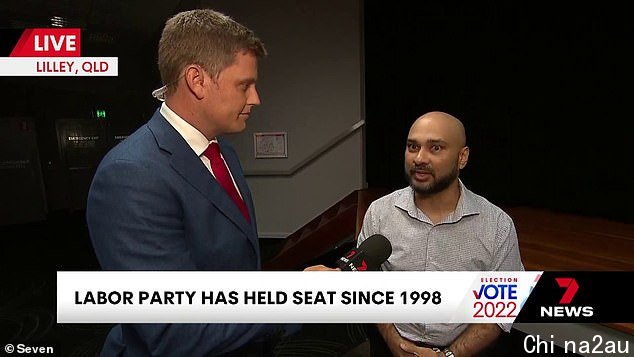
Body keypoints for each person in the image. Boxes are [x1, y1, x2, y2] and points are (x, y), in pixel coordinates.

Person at [86, 9, 286, 356]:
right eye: (244, 85)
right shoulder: (131, 175)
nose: (256, 98)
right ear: (197, 80)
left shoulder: (223, 153)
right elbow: (174, 330)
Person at [357, 111, 524, 357]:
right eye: (413, 147)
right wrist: (394, 342)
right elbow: (366, 284)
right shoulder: (380, 213)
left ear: (462, 157)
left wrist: (449, 355)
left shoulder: (497, 225)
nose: (419, 158)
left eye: (435, 148)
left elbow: (499, 311)